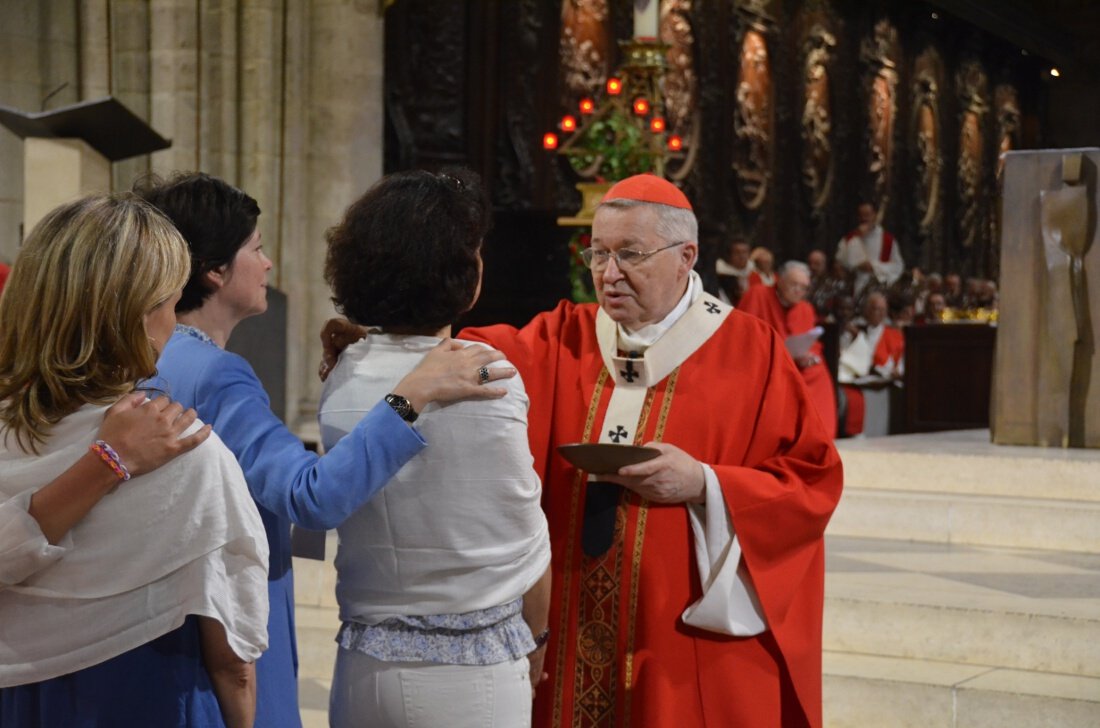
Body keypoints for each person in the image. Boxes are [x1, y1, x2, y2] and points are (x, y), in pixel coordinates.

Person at [459, 175, 843, 727]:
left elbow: (811, 482)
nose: (608, 274)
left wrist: (705, 483)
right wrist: (381, 343)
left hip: (678, 641)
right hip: (571, 626)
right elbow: (465, 351)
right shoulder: (563, 335)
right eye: (598, 253)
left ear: (686, 256)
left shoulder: (749, 351)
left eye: (630, 254)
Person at [135, 172, 516, 728]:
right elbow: (308, 497)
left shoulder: (166, 356)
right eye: (257, 250)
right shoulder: (216, 375)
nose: (267, 265)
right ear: (215, 271)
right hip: (217, 641)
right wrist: (411, 392)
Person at [0, 194, 269, 727]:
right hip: (140, 695)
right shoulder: (188, 433)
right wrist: (401, 407)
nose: (268, 264)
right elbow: (310, 490)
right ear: (134, 315)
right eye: (169, 300)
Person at [318, 168, 551, 728]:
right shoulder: (488, 374)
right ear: (464, 276)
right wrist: (538, 636)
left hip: (363, 665)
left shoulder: (341, 370)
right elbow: (525, 534)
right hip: (468, 677)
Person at [739, 261, 837, 439]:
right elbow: (744, 335)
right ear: (780, 280)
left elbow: (810, 341)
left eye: (803, 288)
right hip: (764, 360)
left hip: (794, 361)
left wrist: (809, 356)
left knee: (818, 372)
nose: (798, 291)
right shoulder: (758, 294)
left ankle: (818, 436)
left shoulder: (805, 308)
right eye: (794, 285)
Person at [837, 291, 904, 437]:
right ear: (865, 310)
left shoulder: (894, 335)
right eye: (874, 308)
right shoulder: (855, 330)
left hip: (883, 386)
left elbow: (899, 364)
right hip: (857, 383)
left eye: (882, 310)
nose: (878, 313)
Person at [835, 201, 904, 296]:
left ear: (874, 215)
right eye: (861, 215)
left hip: (879, 290)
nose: (864, 219)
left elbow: (898, 267)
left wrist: (874, 267)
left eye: (867, 215)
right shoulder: (849, 239)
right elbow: (840, 264)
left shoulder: (888, 240)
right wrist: (857, 238)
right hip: (854, 290)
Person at [714, 236, 753, 305]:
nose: (742, 256)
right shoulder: (720, 275)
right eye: (737, 252)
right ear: (729, 255)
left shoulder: (754, 272)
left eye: (745, 252)